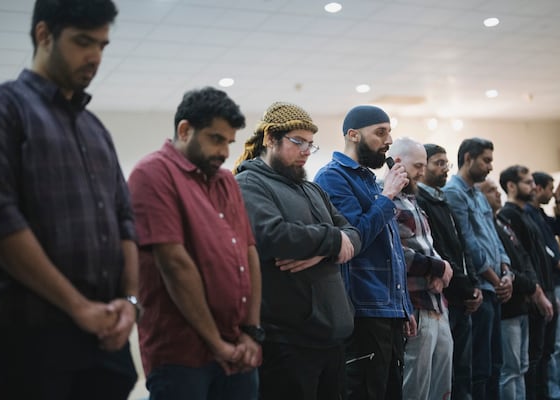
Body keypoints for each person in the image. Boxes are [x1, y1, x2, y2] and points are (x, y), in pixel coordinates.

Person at [0, 1, 139, 399]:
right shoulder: (3, 108)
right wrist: (78, 307)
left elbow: (126, 220)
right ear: (44, 35)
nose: (94, 57)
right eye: (82, 42)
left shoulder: (95, 129)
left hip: (107, 341)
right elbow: (0, 220)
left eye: (102, 45)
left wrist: (129, 301)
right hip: (30, 341)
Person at [128, 87, 261, 399]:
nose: (226, 152)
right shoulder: (152, 174)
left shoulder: (225, 180)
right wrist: (217, 344)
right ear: (185, 130)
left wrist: (251, 332)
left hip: (238, 348)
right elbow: (174, 264)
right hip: (181, 354)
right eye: (216, 139)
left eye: (229, 142)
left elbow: (248, 252)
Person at [233, 102, 361, 400]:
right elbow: (273, 235)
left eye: (310, 144)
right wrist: (331, 242)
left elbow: (353, 233)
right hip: (288, 342)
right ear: (269, 139)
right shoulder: (248, 183)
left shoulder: (311, 189)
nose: (306, 150)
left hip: (332, 338)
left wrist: (322, 251)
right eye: (298, 141)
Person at [314, 105, 415, 400]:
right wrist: (388, 196)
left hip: (388, 309)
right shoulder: (332, 178)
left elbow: (393, 250)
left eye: (389, 132)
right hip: (363, 309)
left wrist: (403, 305)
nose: (388, 140)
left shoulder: (369, 179)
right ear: (353, 135)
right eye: (380, 132)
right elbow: (354, 239)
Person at [443, 138, 513, 400]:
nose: (490, 167)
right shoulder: (454, 193)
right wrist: (496, 280)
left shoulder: (478, 195)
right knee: (478, 368)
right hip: (481, 290)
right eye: (486, 160)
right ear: (469, 158)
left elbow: (493, 238)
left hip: (494, 286)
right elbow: (468, 244)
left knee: (495, 364)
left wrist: (507, 273)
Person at [386, 137, 453, 400]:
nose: (422, 172)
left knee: (441, 386)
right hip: (415, 305)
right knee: (416, 388)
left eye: (424, 166)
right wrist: (437, 268)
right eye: (418, 166)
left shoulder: (413, 200)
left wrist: (441, 271)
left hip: (438, 303)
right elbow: (394, 252)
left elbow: (428, 246)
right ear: (398, 162)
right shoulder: (385, 198)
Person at [416, 143, 482, 400]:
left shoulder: (442, 199)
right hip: (446, 296)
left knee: (464, 371)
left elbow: (463, 247)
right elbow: (437, 251)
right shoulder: (421, 201)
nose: (444, 169)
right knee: (446, 376)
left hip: (463, 294)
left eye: (446, 163)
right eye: (438, 163)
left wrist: (474, 285)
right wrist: (467, 288)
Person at [479, 178, 552, 400]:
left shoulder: (501, 222)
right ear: (478, 197)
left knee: (521, 367)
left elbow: (522, 258)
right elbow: (500, 263)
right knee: (509, 371)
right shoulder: (490, 225)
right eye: (490, 191)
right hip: (508, 304)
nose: (497, 194)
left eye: (495, 190)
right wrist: (531, 287)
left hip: (522, 302)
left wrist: (534, 285)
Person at [497, 165, 556, 400]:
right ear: (511, 186)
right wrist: (537, 291)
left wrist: (547, 291)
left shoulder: (525, 214)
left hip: (541, 291)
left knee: (541, 357)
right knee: (528, 363)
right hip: (529, 298)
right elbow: (520, 260)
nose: (533, 187)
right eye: (527, 182)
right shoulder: (509, 215)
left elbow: (536, 256)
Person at [528, 172, 560, 400]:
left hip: (557, 283)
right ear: (538, 188)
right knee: (552, 345)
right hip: (548, 283)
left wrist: (559, 200)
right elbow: (538, 247)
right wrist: (558, 262)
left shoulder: (540, 213)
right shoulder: (527, 214)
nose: (552, 192)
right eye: (550, 189)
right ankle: (555, 393)